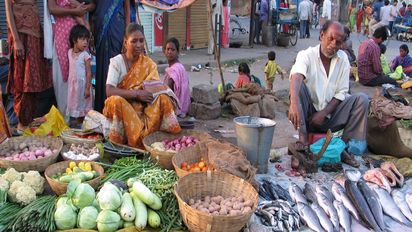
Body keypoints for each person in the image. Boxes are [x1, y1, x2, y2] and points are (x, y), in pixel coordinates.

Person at [288, 21, 369, 167]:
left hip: (330, 116)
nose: (333, 44)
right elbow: (296, 75)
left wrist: (324, 112)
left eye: (338, 42)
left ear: (342, 44)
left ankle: (341, 147)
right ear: (321, 35)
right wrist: (293, 103)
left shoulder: (343, 59)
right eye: (330, 39)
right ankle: (303, 140)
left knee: (362, 100)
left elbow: (342, 92)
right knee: (297, 87)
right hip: (307, 116)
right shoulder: (306, 55)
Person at [104, 23, 181, 148]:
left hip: (143, 108)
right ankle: (120, 143)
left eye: (141, 41)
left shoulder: (149, 64)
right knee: (115, 100)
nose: (139, 45)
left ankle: (164, 141)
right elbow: (109, 90)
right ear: (125, 43)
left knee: (163, 98)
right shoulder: (116, 62)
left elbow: (154, 89)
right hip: (123, 106)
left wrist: (161, 92)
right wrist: (137, 94)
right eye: (134, 41)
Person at [5, 0, 53, 130]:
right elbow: (8, 8)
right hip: (20, 33)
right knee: (22, 79)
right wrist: (16, 40)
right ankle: (21, 123)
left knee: (34, 80)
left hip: (35, 32)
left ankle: (28, 121)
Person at [48, 0, 95, 118]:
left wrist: (81, 9)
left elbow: (93, 4)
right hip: (62, 35)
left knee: (81, 74)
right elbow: (52, 8)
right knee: (62, 78)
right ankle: (65, 118)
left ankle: (82, 117)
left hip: (80, 34)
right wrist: (74, 10)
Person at [94, 0, 136, 112]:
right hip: (100, 31)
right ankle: (103, 108)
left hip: (118, 29)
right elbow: (93, 7)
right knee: (103, 67)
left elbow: (127, 9)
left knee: (118, 66)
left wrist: (126, 36)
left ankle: (118, 109)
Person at [67, 25, 92, 127]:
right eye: (82, 39)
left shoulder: (85, 55)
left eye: (87, 39)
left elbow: (89, 73)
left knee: (82, 107)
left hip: (82, 87)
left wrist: (87, 88)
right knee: (74, 105)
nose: (85, 42)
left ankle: (81, 126)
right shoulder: (69, 52)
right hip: (73, 86)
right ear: (74, 40)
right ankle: (75, 125)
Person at [163, 37, 191, 118]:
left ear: (178, 52)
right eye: (168, 49)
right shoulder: (180, 66)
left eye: (172, 49)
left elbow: (168, 90)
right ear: (164, 51)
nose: (169, 52)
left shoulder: (174, 69)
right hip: (183, 109)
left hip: (175, 110)